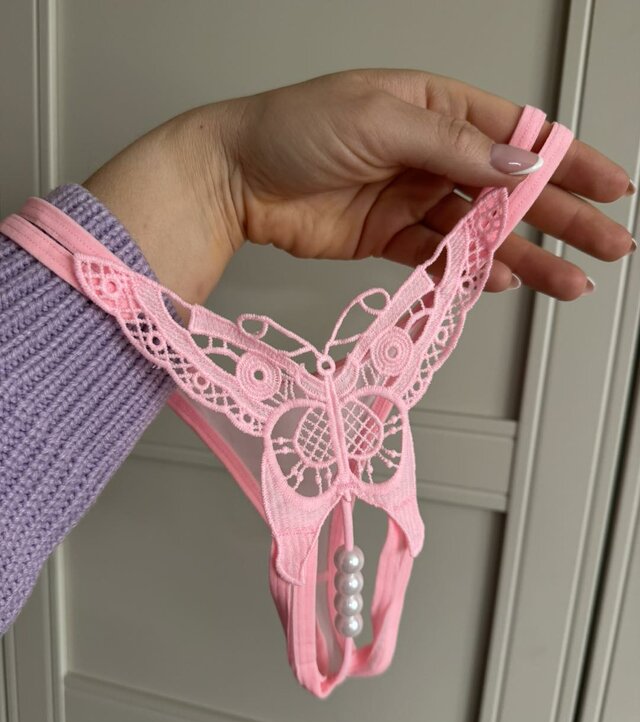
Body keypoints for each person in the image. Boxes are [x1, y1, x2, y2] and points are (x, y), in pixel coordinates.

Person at [0, 68, 635, 636]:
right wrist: (220, 175)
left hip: (332, 414)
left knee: (385, 530)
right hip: (295, 425)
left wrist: (223, 173)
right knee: (309, 550)